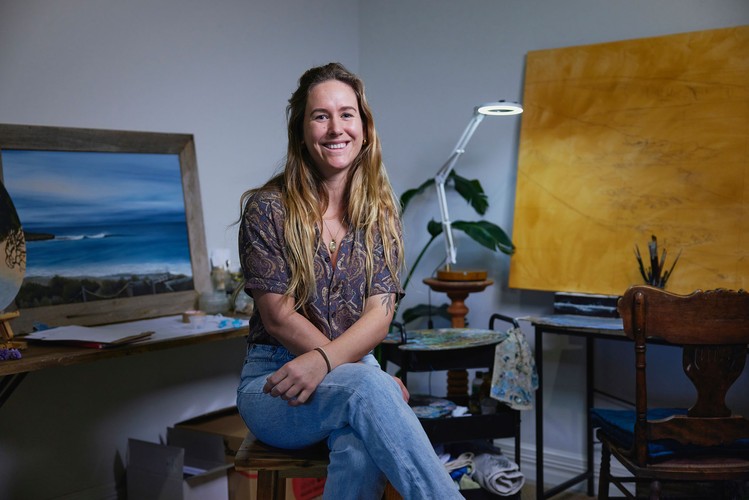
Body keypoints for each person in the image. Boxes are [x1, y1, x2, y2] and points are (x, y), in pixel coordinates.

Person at [236, 62, 463, 499]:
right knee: (370, 389)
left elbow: (379, 316)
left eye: (346, 114)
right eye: (320, 116)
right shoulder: (268, 208)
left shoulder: (381, 214)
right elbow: (278, 317)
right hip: (275, 381)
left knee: (361, 447)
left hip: (353, 375)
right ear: (301, 130)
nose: (335, 128)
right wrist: (355, 371)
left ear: (364, 126)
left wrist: (336, 366)